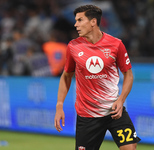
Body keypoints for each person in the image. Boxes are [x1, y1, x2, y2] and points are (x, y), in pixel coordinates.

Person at [54, 5, 141, 150]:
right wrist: (59, 105)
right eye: (76, 21)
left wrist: (121, 100)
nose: (76, 24)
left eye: (80, 20)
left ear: (93, 22)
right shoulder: (73, 47)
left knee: (130, 148)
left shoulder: (116, 44)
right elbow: (66, 76)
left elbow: (129, 75)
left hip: (114, 111)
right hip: (87, 116)